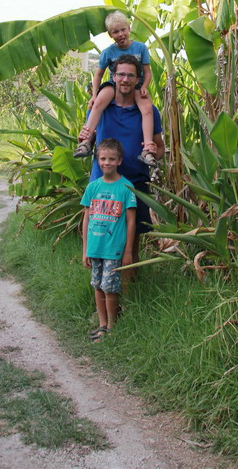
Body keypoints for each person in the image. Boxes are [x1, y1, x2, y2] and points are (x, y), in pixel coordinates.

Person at [88, 54, 165, 265]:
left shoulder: (149, 112)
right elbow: (88, 140)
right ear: (113, 76)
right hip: (103, 184)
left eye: (130, 75)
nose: (125, 79)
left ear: (138, 79)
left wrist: (153, 150)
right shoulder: (101, 107)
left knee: (132, 247)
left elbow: (160, 150)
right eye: (120, 74)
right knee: (101, 241)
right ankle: (104, 294)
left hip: (136, 184)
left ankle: (130, 292)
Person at [74, 12, 155, 164]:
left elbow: (148, 72)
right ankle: (86, 140)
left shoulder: (141, 48)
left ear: (129, 28)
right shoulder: (108, 52)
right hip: (114, 84)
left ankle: (147, 148)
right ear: (110, 35)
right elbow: (98, 75)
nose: (120, 34)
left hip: (136, 84)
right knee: (97, 104)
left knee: (147, 109)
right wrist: (94, 94)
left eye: (123, 29)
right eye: (115, 32)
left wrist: (144, 86)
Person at [80, 137, 137, 340]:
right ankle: (102, 324)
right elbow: (86, 218)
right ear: (97, 160)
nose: (107, 163)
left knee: (110, 287)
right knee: (97, 285)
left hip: (114, 248)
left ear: (119, 161)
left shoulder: (126, 188)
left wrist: (128, 251)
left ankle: (113, 326)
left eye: (112, 159)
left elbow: (131, 222)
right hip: (95, 247)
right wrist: (85, 249)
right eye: (103, 158)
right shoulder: (92, 187)